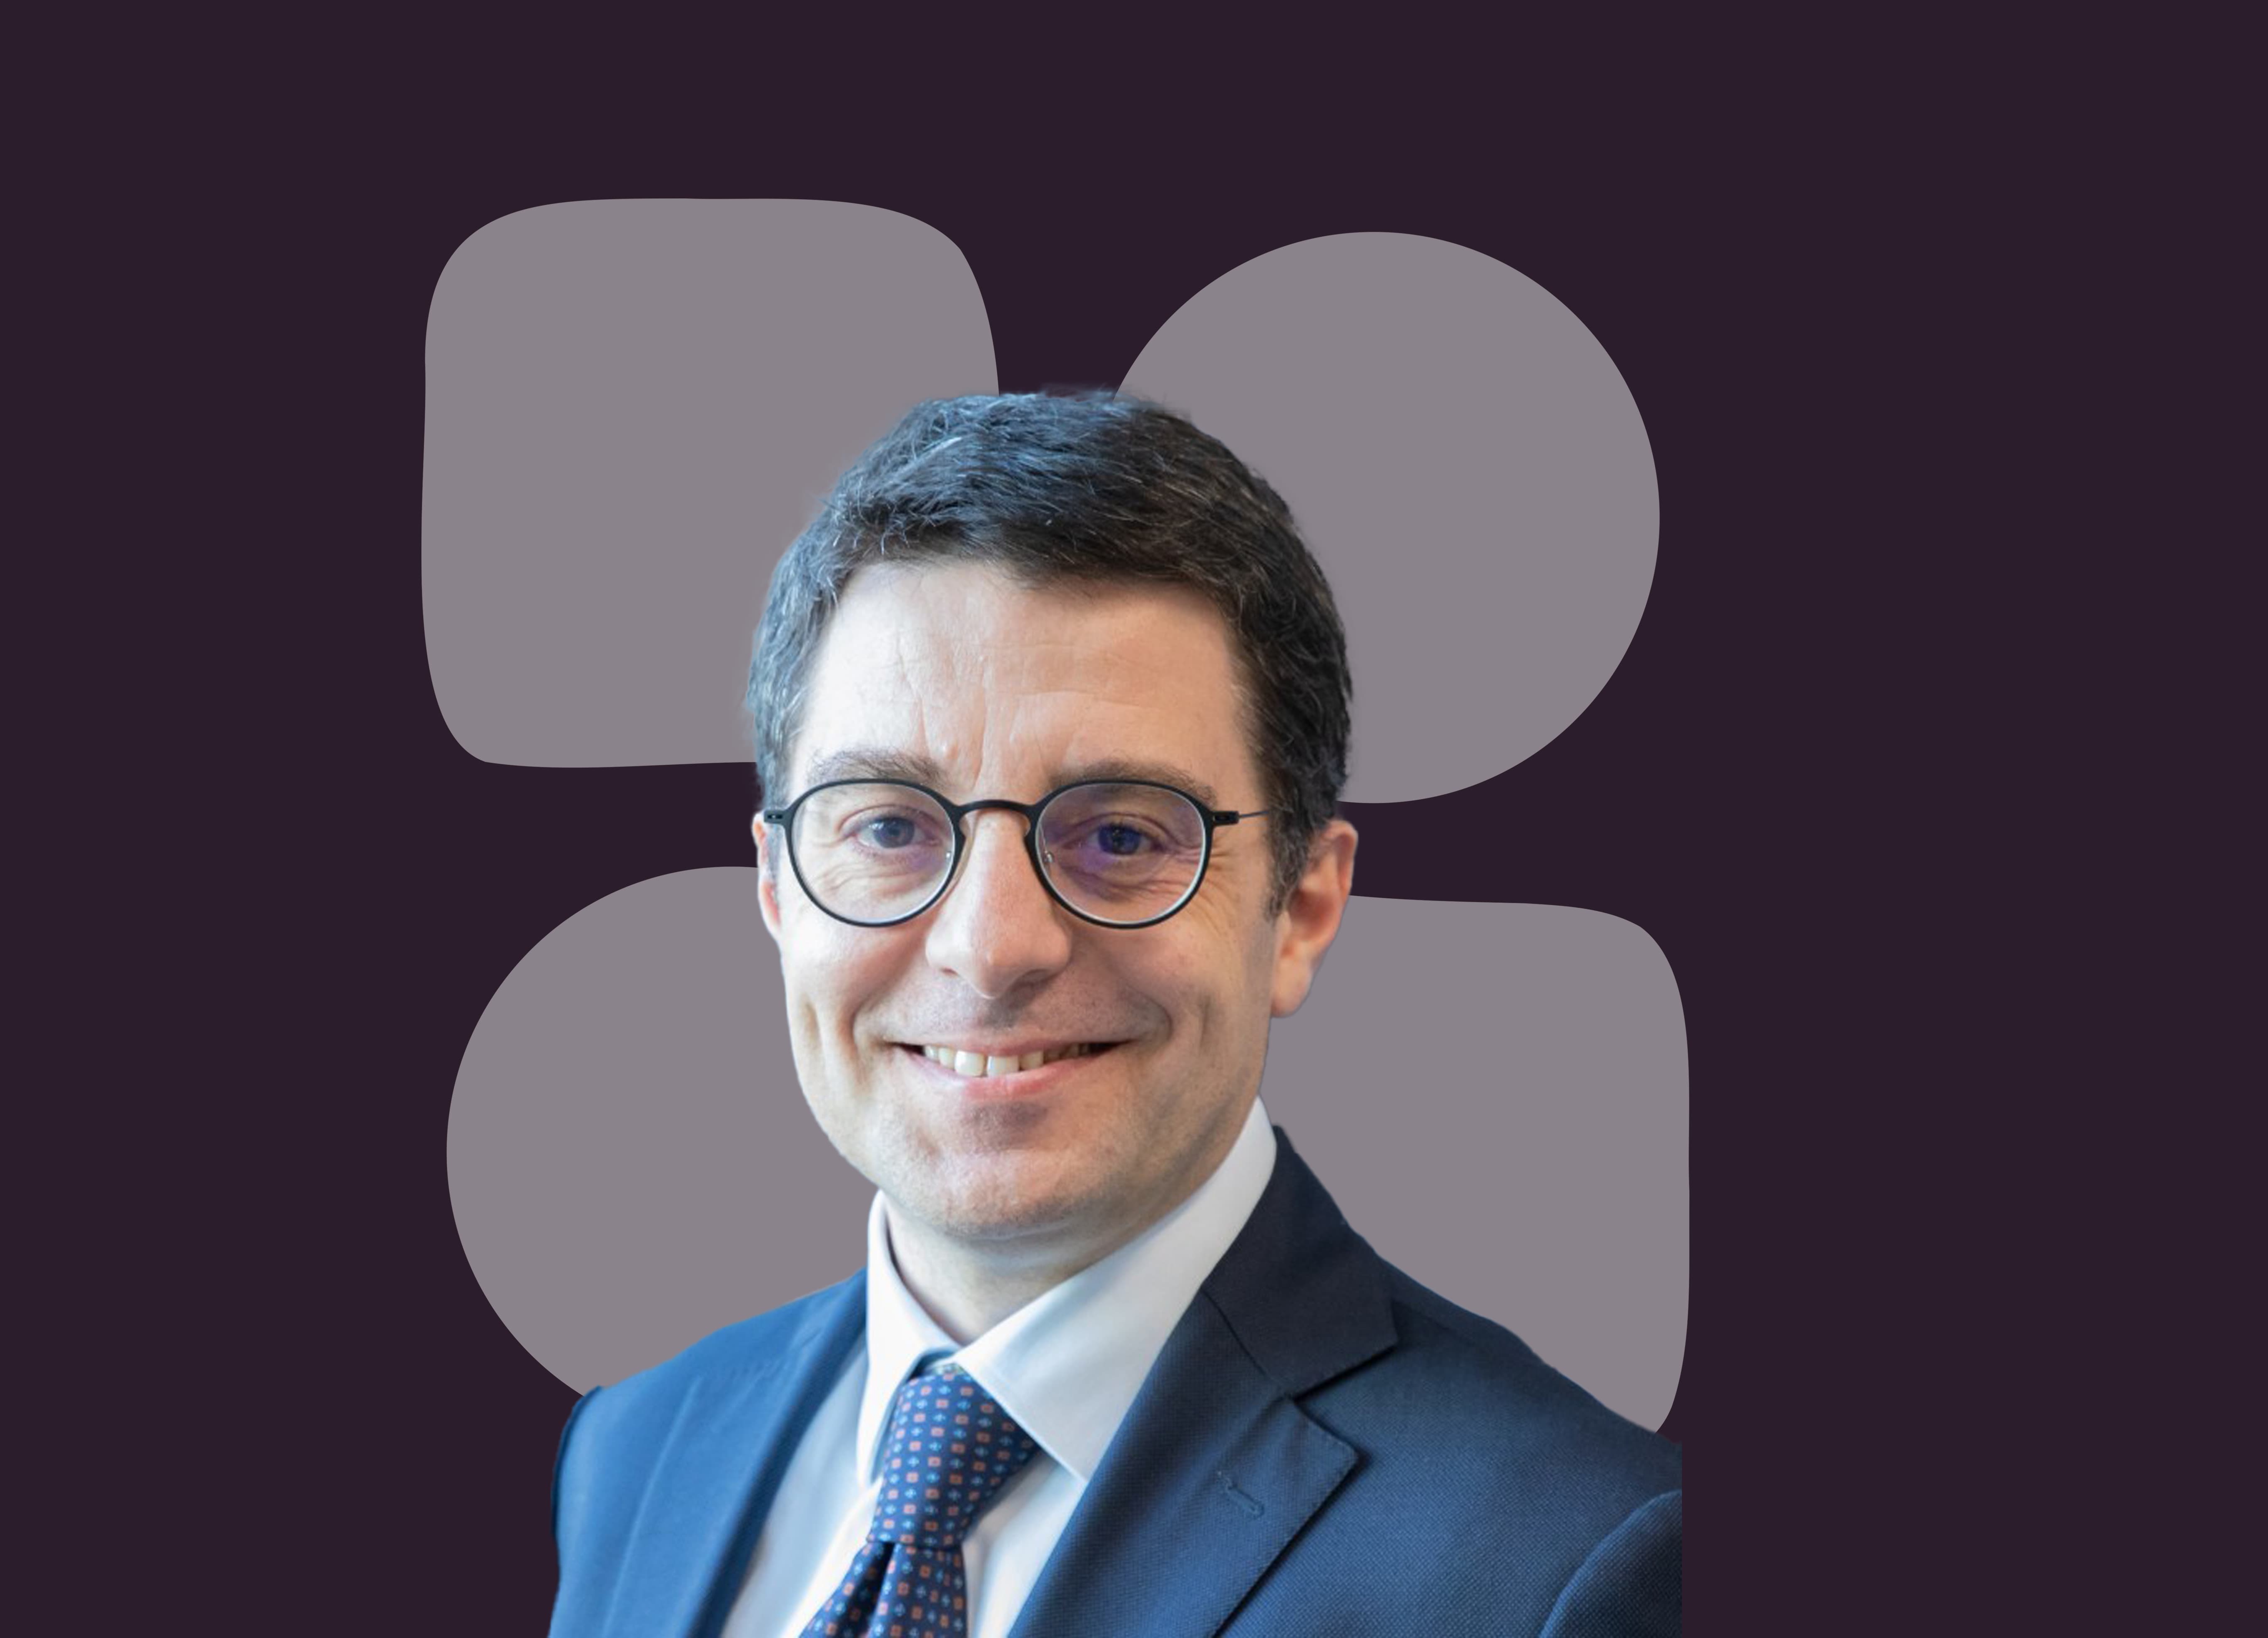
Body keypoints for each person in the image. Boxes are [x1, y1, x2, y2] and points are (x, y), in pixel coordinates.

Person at [546, 394, 1680, 1637]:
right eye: (886, 826)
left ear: (1301, 906)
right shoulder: (641, 1448)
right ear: (775, 890)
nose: (991, 948)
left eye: (1123, 835)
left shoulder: (1566, 1560)